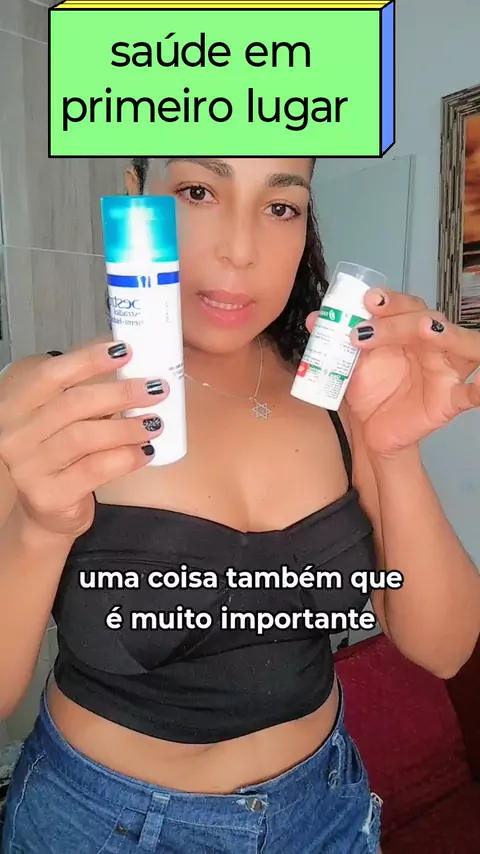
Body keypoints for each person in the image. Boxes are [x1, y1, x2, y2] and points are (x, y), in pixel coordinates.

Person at [0, 156, 479, 854]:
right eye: (199, 191)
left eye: (280, 207)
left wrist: (393, 450)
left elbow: (446, 650)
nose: (241, 250)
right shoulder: (51, 405)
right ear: (137, 192)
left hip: (325, 812)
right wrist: (40, 530)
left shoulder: (333, 395)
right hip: (102, 825)